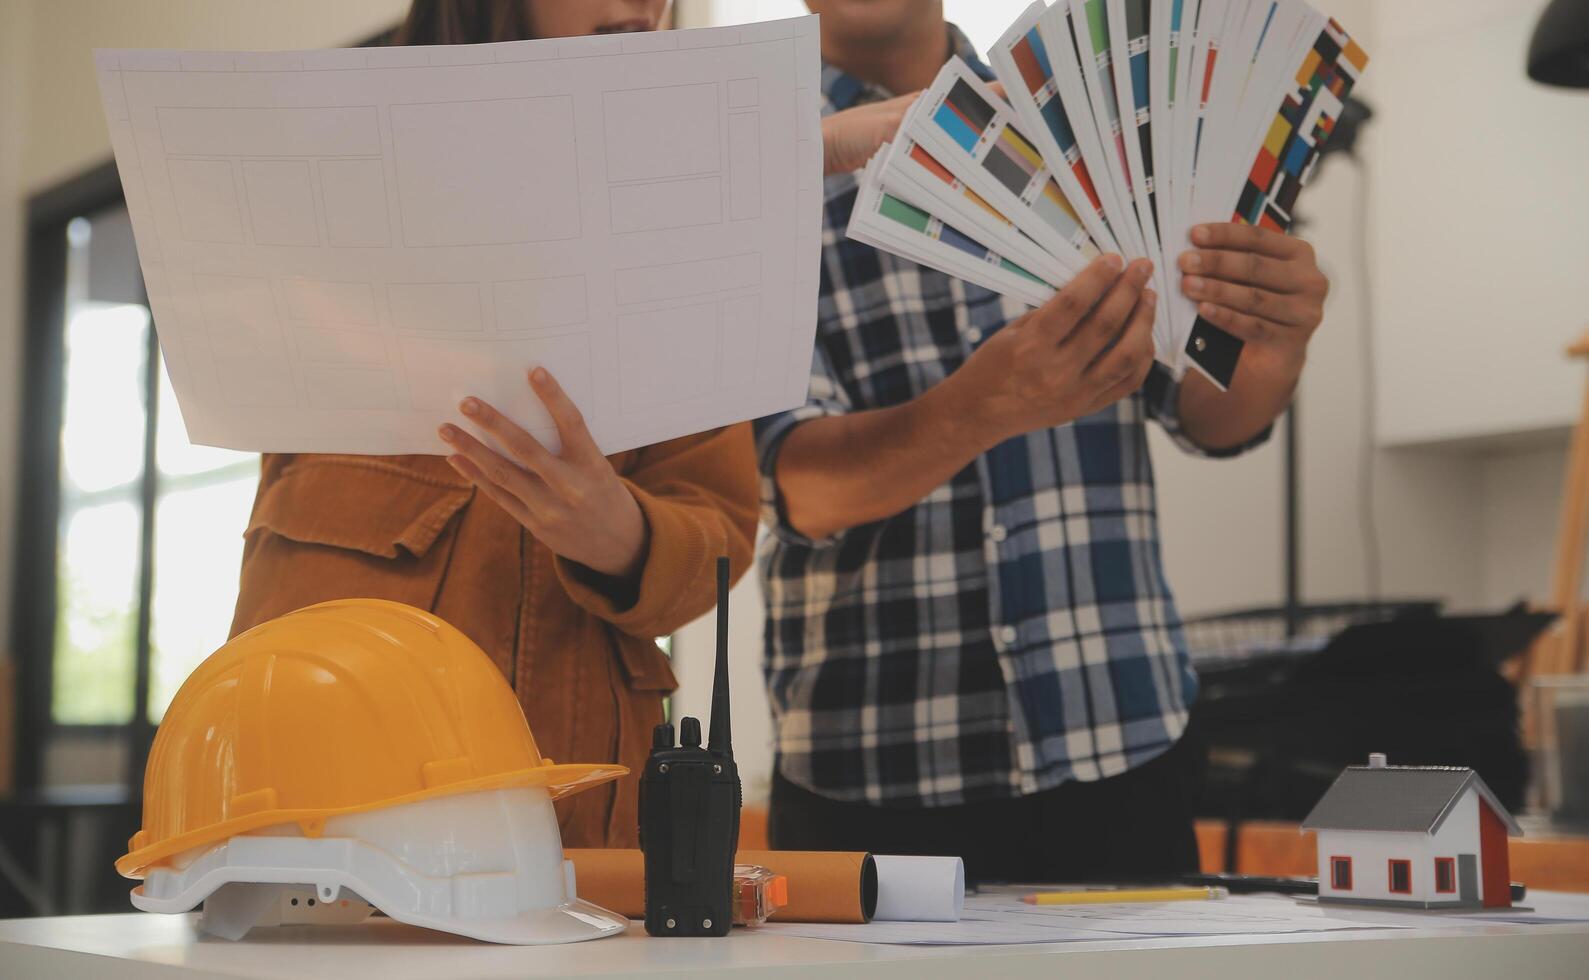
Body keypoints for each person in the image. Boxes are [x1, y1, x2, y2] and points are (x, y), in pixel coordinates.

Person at [229, 0, 908, 849]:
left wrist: (619, 536)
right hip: (319, 795)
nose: (640, 6)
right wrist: (767, 158)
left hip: (575, 819)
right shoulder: (337, 189)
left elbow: (720, 527)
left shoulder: (691, 247)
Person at [756, 0, 1332, 882]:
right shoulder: (756, 168)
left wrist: (1273, 340)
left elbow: (1210, 414)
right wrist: (983, 408)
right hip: (866, 765)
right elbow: (794, 486)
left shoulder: (1087, 123)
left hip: (1121, 736)